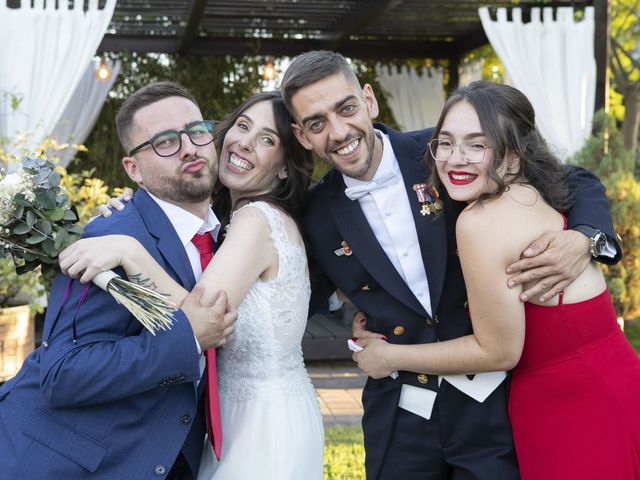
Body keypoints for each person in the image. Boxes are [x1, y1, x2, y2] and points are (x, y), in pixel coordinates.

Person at [280, 51, 621, 479]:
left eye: (346, 108)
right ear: (302, 135)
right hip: (400, 416)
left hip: (492, 408)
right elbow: (294, 295)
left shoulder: (447, 152)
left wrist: (585, 237)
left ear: (369, 101)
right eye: (316, 123)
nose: (339, 131)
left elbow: (574, 178)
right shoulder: (313, 215)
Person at [353, 80, 640, 479]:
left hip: (569, 402)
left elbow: (498, 351)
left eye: (476, 145)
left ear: (512, 155)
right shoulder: (535, 191)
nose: (456, 159)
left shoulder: (480, 222)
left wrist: (391, 357)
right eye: (447, 143)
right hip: (617, 378)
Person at [58, 91, 324, 480]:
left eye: (267, 139)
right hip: (242, 416)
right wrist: (130, 211)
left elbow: (201, 317)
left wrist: (128, 250)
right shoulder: (224, 221)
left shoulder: (256, 220)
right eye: (243, 126)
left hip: (263, 424)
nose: (245, 142)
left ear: (284, 167)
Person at [0, 81, 237, 479]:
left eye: (196, 131)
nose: (189, 148)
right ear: (134, 170)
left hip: (172, 454)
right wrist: (189, 337)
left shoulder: (230, 232)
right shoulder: (107, 240)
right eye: (164, 142)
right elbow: (62, 375)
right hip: (76, 463)